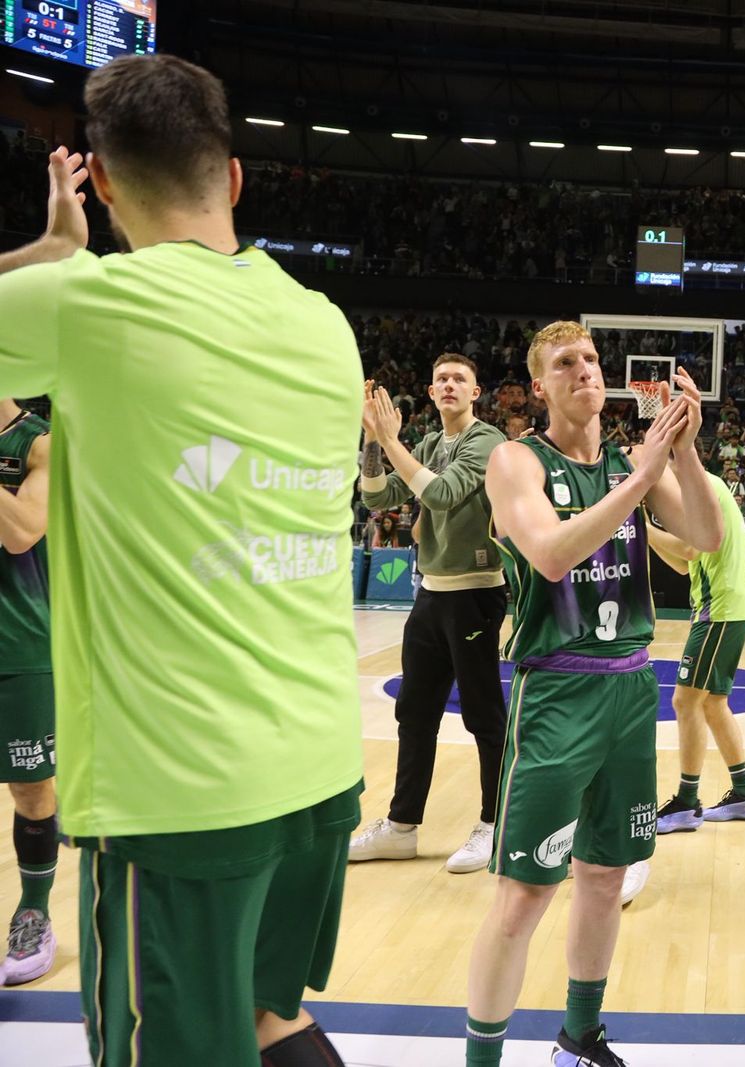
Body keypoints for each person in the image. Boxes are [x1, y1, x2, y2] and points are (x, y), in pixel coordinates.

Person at [0, 55, 362, 1065]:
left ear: (107, 188)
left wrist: (52, 248)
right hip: (319, 767)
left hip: (182, 792)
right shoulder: (325, 323)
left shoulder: (89, 302)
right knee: (269, 1017)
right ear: (234, 177)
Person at [464, 322, 722, 1067]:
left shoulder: (626, 462)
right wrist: (642, 477)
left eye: (591, 359)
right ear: (539, 386)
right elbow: (550, 555)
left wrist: (682, 452)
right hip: (558, 691)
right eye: (565, 363)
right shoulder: (516, 460)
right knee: (524, 893)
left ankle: (579, 1036)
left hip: (631, 687)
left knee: (605, 877)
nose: (584, 370)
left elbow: (705, 537)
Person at [351, 354, 509, 875]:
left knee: (484, 715)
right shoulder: (429, 443)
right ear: (430, 390)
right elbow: (376, 498)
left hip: (476, 592)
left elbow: (440, 495)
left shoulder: (485, 441)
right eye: (441, 378)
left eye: (459, 378)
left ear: (475, 392)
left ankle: (495, 822)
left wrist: (390, 440)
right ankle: (401, 827)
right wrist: (373, 440)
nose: (449, 384)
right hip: (431, 594)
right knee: (414, 713)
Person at [649, 473, 745, 833]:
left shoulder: (696, 486)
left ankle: (687, 801)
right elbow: (684, 564)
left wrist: (640, 526)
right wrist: (645, 533)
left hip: (720, 610)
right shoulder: (699, 485)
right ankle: (744, 794)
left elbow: (689, 550)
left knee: (685, 701)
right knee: (713, 703)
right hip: (724, 608)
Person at [0, 397, 55, 986]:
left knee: (31, 789)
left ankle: (34, 912)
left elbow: (19, 533)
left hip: (18, 643)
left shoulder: (39, 443)